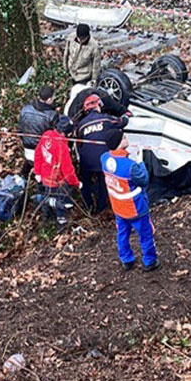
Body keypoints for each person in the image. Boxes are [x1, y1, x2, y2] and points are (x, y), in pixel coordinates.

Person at [102, 130, 157, 272]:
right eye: (124, 137)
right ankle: (149, 261)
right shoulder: (130, 166)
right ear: (119, 144)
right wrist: (140, 162)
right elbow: (144, 180)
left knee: (122, 234)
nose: (127, 138)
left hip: (118, 207)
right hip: (136, 207)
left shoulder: (104, 159)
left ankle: (126, 260)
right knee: (146, 235)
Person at [75, 93, 127, 216]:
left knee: (85, 183)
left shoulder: (81, 125)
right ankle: (101, 207)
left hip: (86, 162)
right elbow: (122, 122)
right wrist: (126, 115)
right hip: (102, 161)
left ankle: (88, 208)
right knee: (102, 182)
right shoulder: (106, 119)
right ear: (98, 106)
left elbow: (79, 141)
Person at [33, 116, 81, 232]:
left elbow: (38, 153)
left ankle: (46, 217)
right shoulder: (62, 147)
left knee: (47, 196)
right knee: (61, 202)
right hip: (57, 180)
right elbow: (68, 171)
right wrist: (76, 183)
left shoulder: (47, 134)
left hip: (45, 176)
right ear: (65, 133)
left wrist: (38, 171)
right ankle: (61, 222)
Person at [18, 85, 60, 171]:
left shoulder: (25, 109)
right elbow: (54, 136)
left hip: (27, 147)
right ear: (49, 99)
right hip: (41, 152)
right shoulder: (52, 115)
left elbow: (20, 130)